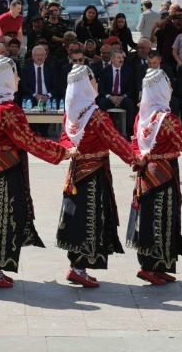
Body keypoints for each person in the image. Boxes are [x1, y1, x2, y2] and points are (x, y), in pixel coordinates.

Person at [0, 56, 71, 287]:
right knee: (3, 218)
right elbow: (28, 140)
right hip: (5, 171)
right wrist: (59, 153)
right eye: (15, 75)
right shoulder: (7, 110)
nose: (18, 79)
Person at [128, 69, 182, 285]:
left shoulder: (142, 116)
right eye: (168, 86)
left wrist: (139, 158)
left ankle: (157, 266)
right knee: (162, 219)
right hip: (164, 174)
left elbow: (135, 144)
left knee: (150, 218)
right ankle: (150, 267)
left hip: (146, 174)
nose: (171, 89)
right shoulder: (167, 119)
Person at [57, 65, 138, 287]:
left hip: (75, 174)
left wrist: (70, 150)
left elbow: (65, 138)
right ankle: (79, 268)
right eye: (93, 82)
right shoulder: (97, 116)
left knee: (76, 219)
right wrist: (135, 160)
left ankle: (75, 266)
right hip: (94, 175)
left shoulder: (71, 114)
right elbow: (116, 141)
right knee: (89, 220)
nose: (96, 85)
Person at [96, 48, 136, 133]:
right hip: (108, 97)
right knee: (102, 102)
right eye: (119, 57)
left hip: (123, 96)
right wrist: (110, 97)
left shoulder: (128, 71)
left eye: (122, 57)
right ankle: (102, 130)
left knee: (130, 103)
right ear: (112, 59)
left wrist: (122, 97)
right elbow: (101, 89)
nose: (121, 59)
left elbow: (131, 89)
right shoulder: (104, 71)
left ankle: (130, 131)